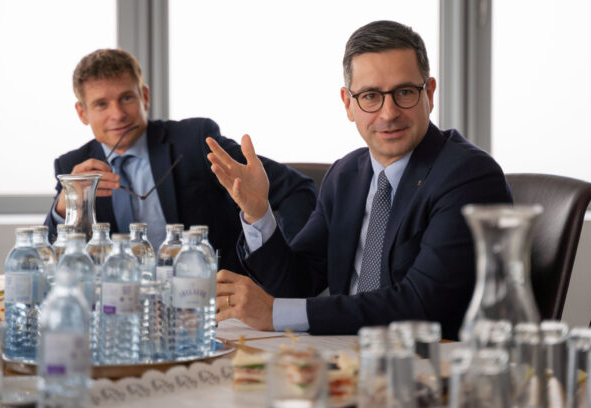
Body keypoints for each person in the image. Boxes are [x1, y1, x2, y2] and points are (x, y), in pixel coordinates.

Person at [209, 21, 512, 339]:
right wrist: (258, 213)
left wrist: (274, 313)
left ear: (430, 93)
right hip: (344, 358)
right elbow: (297, 284)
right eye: (370, 96)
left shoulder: (468, 176)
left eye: (405, 92)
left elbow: (421, 303)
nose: (388, 113)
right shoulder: (345, 175)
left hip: (429, 366)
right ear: (348, 103)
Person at [44, 48, 317, 273]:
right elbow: (47, 257)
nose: (117, 114)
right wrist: (64, 205)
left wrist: (288, 271)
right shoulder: (73, 167)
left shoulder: (193, 141)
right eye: (101, 104)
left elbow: (295, 188)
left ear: (145, 97)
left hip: (211, 301)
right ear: (83, 113)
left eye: (126, 98)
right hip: (121, 307)